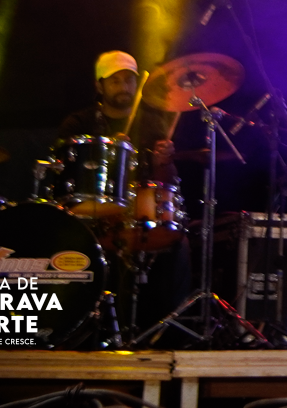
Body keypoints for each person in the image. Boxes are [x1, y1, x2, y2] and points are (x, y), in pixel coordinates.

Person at [57, 51, 190, 324]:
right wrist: (108, 155)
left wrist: (164, 161)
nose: (123, 87)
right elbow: (66, 177)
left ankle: (165, 328)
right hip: (93, 214)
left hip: (139, 214)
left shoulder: (152, 122)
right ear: (100, 86)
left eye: (129, 80)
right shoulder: (80, 123)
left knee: (180, 243)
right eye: (115, 81)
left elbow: (167, 182)